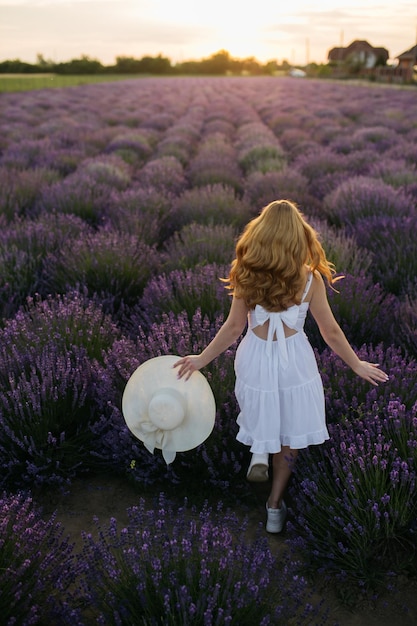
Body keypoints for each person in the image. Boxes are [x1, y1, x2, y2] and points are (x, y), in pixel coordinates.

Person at [174, 200, 389, 533]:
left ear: (260, 233)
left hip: (256, 356)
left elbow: (233, 329)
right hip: (294, 360)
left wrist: (201, 360)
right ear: (298, 237)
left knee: (262, 406)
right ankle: (274, 506)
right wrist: (356, 364)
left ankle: (260, 452)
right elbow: (329, 331)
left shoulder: (246, 273)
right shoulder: (310, 279)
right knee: (292, 434)